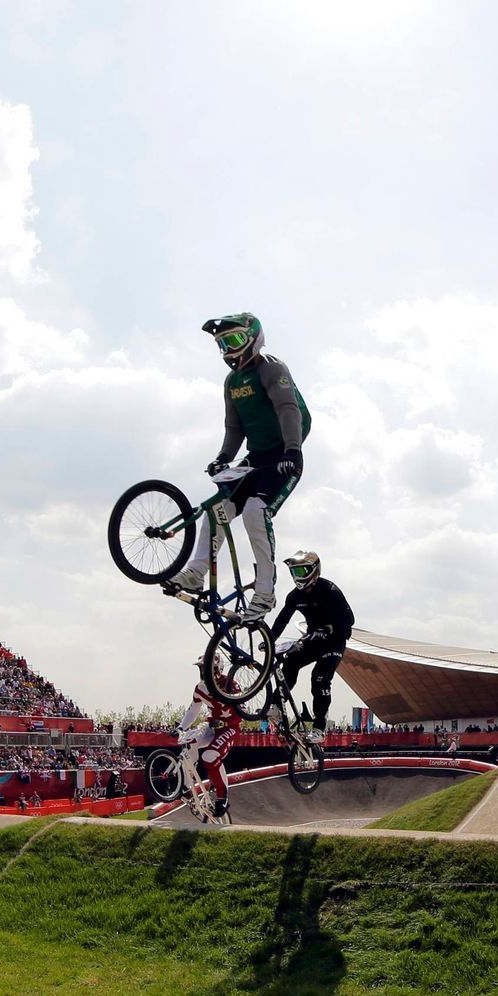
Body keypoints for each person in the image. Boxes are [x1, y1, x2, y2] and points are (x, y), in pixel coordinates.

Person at [168, 313, 311, 618]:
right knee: (216, 510)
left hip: (284, 457)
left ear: (254, 338)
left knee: (255, 512)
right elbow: (234, 428)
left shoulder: (272, 369)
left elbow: (288, 410)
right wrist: (222, 457)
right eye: (222, 344)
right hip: (255, 457)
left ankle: (265, 592)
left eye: (233, 340)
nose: (229, 350)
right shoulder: (232, 382)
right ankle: (196, 572)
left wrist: (293, 450)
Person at [266, 550, 353, 746]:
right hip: (313, 639)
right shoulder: (294, 596)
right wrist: (270, 639)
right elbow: (282, 620)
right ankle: (276, 706)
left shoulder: (330, 590)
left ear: (314, 570)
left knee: (319, 678)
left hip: (334, 641)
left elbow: (349, 620)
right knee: (290, 662)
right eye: (294, 572)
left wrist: (328, 629)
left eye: (301, 571)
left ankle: (319, 729)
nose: (297, 576)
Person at [177, 674, 241, 820]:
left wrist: (225, 720)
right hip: (211, 726)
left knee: (209, 756)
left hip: (230, 727)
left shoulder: (230, 683)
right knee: (188, 741)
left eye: (204, 668)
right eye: (200, 668)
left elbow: (242, 710)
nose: (202, 672)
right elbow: (193, 710)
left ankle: (222, 797)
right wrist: (181, 727)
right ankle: (187, 786)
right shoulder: (201, 687)